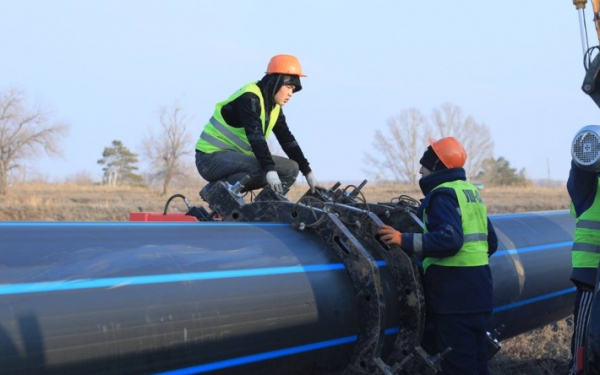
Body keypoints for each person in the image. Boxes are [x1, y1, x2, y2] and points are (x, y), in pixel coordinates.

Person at [378, 137, 498, 375]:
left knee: (458, 365)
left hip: (455, 297)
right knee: (477, 360)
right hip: (480, 293)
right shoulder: (470, 193)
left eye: (424, 167)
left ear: (437, 168)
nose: (420, 172)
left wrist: (404, 240)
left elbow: (449, 240)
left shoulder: (441, 196)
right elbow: (491, 242)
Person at [195, 54, 322, 196]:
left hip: (233, 158)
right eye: (288, 87)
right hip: (209, 159)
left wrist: (307, 172)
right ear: (275, 82)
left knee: (291, 169)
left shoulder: (273, 107)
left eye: (293, 89)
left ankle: (265, 209)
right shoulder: (249, 98)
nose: (291, 93)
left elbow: (287, 141)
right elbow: (256, 137)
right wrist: (270, 170)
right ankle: (213, 193)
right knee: (263, 169)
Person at [566, 154, 600, 375]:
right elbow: (580, 167)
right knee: (586, 341)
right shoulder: (588, 180)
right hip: (591, 274)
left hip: (590, 272)